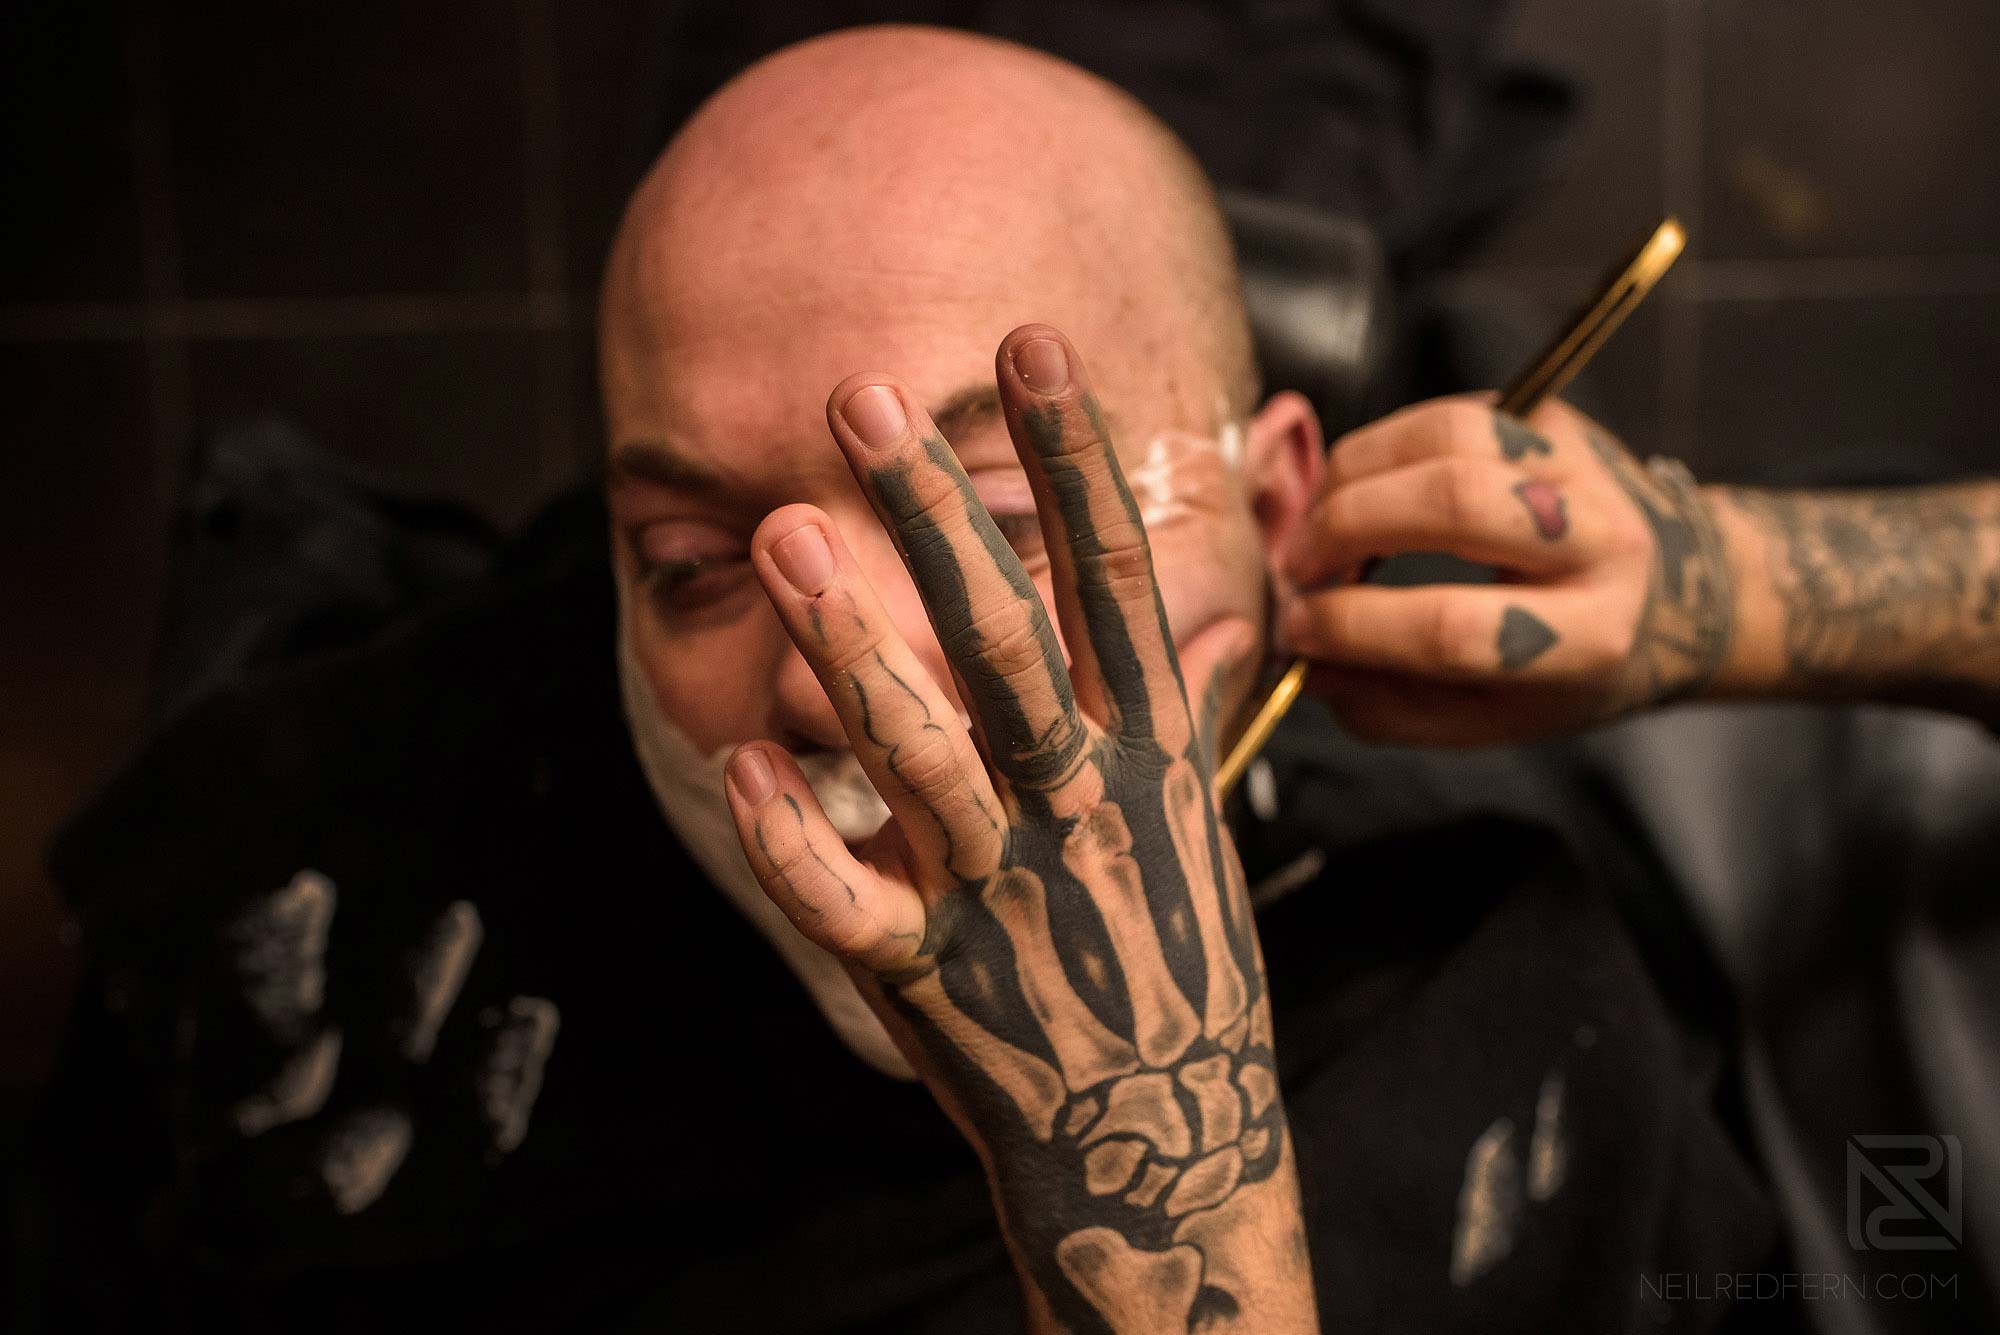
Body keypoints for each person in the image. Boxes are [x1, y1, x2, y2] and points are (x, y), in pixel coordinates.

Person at [25, 23, 1995, 1333]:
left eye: (990, 519)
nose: (839, 682)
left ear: (1274, 503)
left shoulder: (1501, 1026)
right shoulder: (325, 910)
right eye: (697, 562)